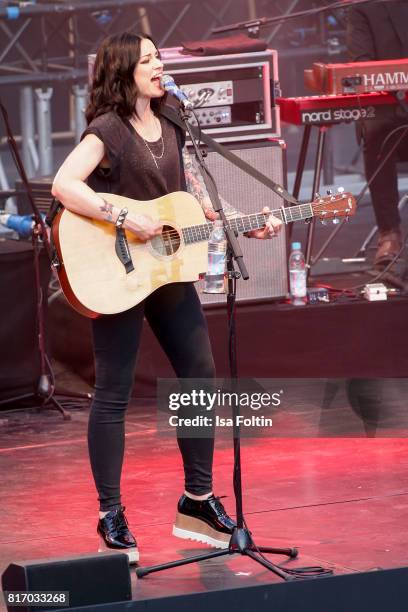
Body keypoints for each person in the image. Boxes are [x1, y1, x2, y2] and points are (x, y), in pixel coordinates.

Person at [52, 31, 282, 563]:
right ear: (125, 70)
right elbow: (65, 185)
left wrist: (240, 225)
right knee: (113, 390)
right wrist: (124, 214)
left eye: (159, 59)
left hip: (170, 267)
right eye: (150, 60)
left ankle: (197, 500)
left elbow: (193, 198)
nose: (160, 66)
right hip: (117, 268)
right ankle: (111, 512)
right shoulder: (107, 129)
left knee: (199, 375)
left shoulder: (175, 119)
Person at [347, 1, 408, 267]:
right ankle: (389, 232)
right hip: (390, 107)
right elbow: (362, 64)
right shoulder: (363, 8)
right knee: (376, 135)